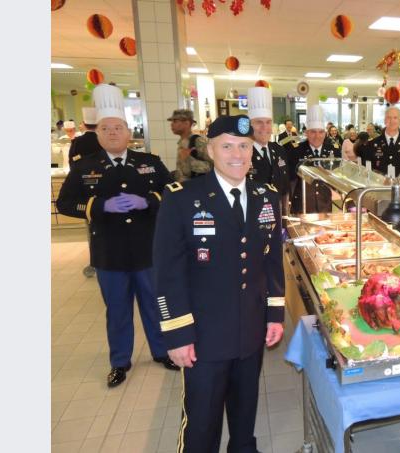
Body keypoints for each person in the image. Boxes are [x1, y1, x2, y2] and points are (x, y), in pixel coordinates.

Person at [154, 114, 285, 452]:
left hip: (250, 329)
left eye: (244, 146)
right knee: (202, 422)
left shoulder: (266, 196)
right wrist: (178, 334)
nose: (237, 154)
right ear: (210, 150)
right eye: (227, 146)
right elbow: (168, 273)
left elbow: (271, 261)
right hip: (203, 335)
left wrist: (274, 314)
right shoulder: (181, 198)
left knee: (245, 413)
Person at [56, 84, 178, 388]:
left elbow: (173, 192)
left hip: (147, 249)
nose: (112, 133)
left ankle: (163, 352)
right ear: (97, 133)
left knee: (154, 303)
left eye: (118, 127)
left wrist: (147, 201)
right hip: (109, 252)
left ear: (128, 132)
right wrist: (99, 206)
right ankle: (120, 361)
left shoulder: (149, 162)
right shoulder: (85, 167)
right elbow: (65, 203)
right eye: (105, 128)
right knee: (118, 309)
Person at [246, 87, 290, 212]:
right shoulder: (243, 152)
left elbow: (285, 188)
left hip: (277, 212)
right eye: (259, 122)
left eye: (268, 122)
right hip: (253, 214)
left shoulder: (279, 150)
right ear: (250, 125)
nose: (265, 127)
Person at [289, 105, 339, 214]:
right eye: (313, 132)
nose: (317, 136)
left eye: (321, 132)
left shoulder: (333, 151)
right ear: (307, 133)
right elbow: (291, 178)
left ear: (325, 134)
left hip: (325, 203)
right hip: (302, 204)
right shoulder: (296, 150)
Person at [361, 106, 400, 176]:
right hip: (379, 185)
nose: (392, 121)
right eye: (389, 118)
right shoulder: (372, 144)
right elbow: (367, 170)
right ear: (384, 120)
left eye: (395, 118)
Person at [169, 109, 213, 182]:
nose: (171, 124)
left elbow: (214, 166)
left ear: (187, 123)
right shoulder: (181, 142)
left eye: (175, 121)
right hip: (184, 188)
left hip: (197, 189)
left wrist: (189, 160)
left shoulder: (198, 141)